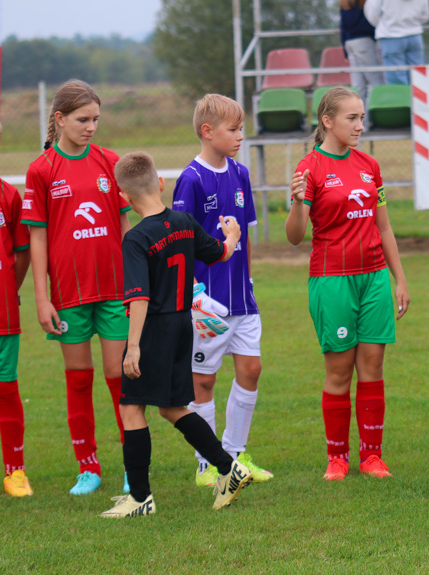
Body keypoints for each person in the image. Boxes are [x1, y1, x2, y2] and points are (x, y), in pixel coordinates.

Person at [100, 152, 252, 517]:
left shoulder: (136, 238)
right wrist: (232, 235)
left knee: (131, 407)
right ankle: (229, 467)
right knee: (171, 408)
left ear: (123, 197)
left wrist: (132, 347)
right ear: (161, 183)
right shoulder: (184, 222)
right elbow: (218, 254)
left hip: (153, 329)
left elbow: (138, 297)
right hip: (183, 325)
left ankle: (140, 498)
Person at [286, 87, 409, 481]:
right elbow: (294, 236)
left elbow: (384, 227)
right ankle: (336, 458)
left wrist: (399, 278)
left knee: (372, 366)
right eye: (351, 118)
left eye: (361, 117)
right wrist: (296, 202)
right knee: (339, 370)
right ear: (327, 121)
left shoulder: (370, 166)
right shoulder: (309, 168)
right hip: (331, 280)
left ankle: (371, 456)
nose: (360, 125)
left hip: (373, 278)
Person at [22, 79, 130, 496]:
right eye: (82, 120)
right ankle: (88, 467)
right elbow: (37, 237)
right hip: (68, 295)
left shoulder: (109, 162)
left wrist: (136, 283)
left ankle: (130, 464)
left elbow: (126, 227)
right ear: (60, 119)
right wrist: (42, 298)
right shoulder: (41, 169)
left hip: (115, 289)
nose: (90, 127)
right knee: (78, 379)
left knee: (119, 376)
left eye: (96, 120)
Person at [171, 94, 273, 488]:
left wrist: (247, 278)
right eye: (233, 129)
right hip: (205, 300)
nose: (240, 136)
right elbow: (181, 241)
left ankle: (234, 454)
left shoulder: (241, 173)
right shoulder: (191, 179)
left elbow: (244, 236)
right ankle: (206, 462)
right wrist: (192, 293)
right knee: (204, 381)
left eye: (242, 128)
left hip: (241, 298)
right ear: (207, 131)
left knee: (251, 369)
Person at [0, 120, 33, 497]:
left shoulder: (8, 196)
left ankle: (15, 471)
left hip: (2, 314)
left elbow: (21, 255)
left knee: (5, 391)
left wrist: (8, 287)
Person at [363, 0, 429, 85]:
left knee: (395, 77)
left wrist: (384, 24)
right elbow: (425, 16)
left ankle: (400, 97)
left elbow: (372, 14)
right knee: (417, 75)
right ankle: (417, 98)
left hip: (390, 35)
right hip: (414, 34)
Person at [340, 0, 385, 122]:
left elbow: (342, 29)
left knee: (358, 87)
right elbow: (370, 24)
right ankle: (369, 120)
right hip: (364, 42)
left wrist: (345, 52)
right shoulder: (365, 4)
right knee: (375, 82)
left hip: (350, 44)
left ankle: (356, 122)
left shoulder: (345, 5)